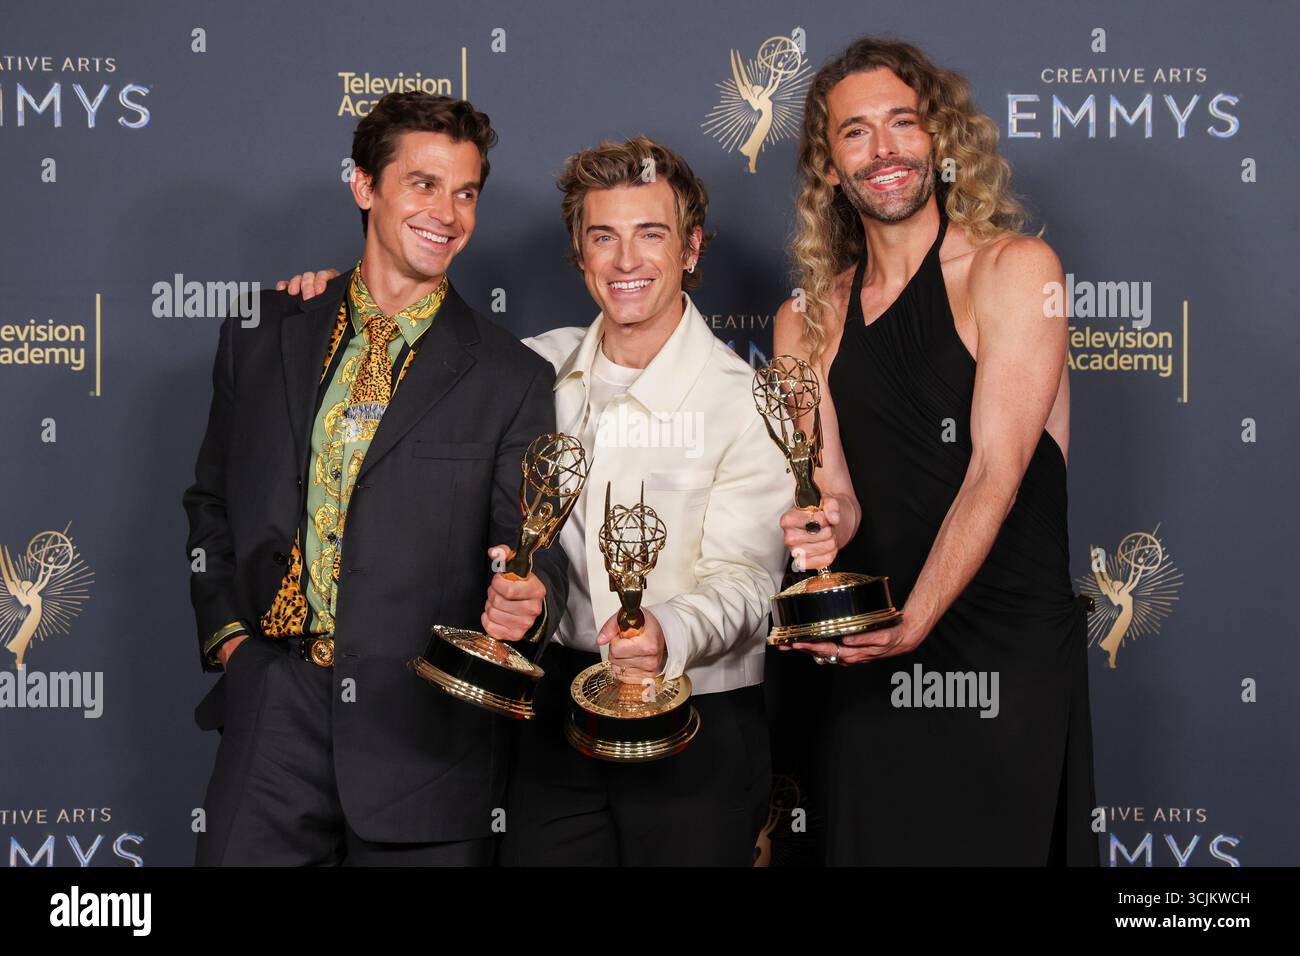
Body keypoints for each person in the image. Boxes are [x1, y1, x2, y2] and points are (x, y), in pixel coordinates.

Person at [285, 136, 790, 866]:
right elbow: (395, 333)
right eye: (602, 237)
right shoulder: (528, 367)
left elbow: (749, 580)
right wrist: (332, 304)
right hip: (550, 719)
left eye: (652, 235)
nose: (626, 262)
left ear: (691, 248)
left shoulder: (745, 400)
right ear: (579, 254)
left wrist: (665, 633)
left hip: (695, 723)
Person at [183, 91, 566, 866]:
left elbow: (531, 548)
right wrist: (233, 645)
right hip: (274, 717)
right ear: (364, 187)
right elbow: (213, 500)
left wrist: (531, 599)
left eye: (465, 193)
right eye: (424, 185)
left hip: (425, 735)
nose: (449, 214)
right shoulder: (265, 332)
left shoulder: (512, 376)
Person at [773, 37, 1098, 865]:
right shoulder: (802, 321)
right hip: (874, 650)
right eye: (855, 132)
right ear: (829, 162)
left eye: (902, 123)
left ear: (940, 140)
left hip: (1000, 655)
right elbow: (835, 492)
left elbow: (996, 468)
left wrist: (917, 618)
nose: (883, 151)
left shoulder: (1017, 269)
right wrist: (821, 530)